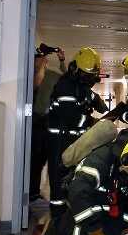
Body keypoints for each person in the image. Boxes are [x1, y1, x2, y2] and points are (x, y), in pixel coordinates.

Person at [46, 47, 108, 216]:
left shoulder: (80, 84)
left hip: (74, 140)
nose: (89, 79)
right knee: (59, 176)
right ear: (75, 69)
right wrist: (92, 122)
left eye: (91, 75)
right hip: (60, 140)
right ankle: (58, 214)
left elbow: (88, 95)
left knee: (74, 175)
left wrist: (98, 102)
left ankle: (72, 209)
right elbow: (72, 117)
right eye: (86, 75)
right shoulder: (65, 86)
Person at [29, 44, 64, 203]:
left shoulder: (51, 75)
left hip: (47, 124)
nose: (38, 67)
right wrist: (42, 64)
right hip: (34, 125)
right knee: (34, 161)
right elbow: (37, 84)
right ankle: (32, 193)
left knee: (42, 161)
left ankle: (35, 193)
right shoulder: (31, 75)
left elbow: (67, 77)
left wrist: (61, 60)